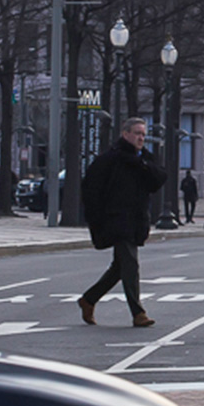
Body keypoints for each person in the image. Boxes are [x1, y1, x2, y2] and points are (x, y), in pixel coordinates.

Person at [78, 117, 165, 329]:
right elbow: (91, 189)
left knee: (120, 267)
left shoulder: (144, 159)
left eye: (143, 134)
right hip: (116, 219)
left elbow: (158, 179)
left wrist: (143, 166)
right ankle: (138, 313)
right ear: (125, 134)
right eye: (137, 133)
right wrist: (96, 219)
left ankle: (89, 299)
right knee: (130, 263)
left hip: (136, 219)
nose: (141, 138)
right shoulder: (111, 160)